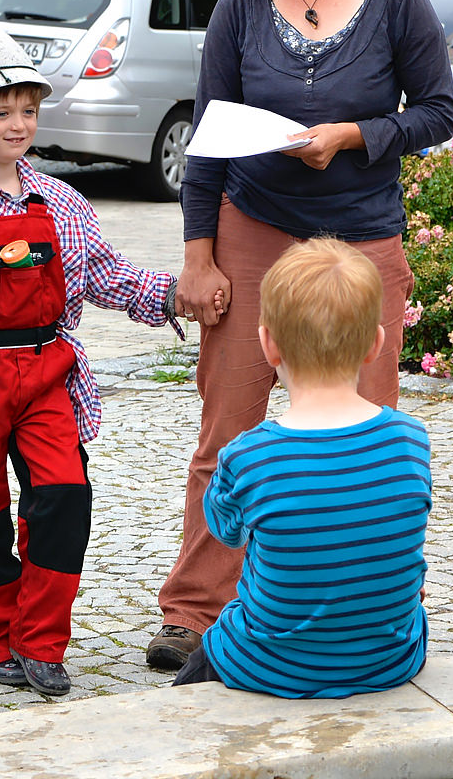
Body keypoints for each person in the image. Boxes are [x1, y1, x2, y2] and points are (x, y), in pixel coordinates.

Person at [147, 0, 453, 670]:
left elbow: (437, 114)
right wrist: (199, 257)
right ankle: (195, 609)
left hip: (362, 235)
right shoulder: (241, 7)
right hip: (255, 228)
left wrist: (358, 135)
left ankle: (385, 603)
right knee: (229, 425)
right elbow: (208, 142)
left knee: (370, 428)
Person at [0, 27, 182, 697]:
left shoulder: (64, 204)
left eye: (27, 109)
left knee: (64, 497)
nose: (17, 124)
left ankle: (41, 642)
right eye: (0, 112)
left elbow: (106, 278)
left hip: (48, 373)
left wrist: (173, 295)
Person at [170, 238, 431, 697]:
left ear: (268, 343)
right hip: (389, 659)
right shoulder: (412, 440)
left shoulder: (246, 457)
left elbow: (228, 533)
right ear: (375, 343)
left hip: (267, 664)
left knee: (208, 654)